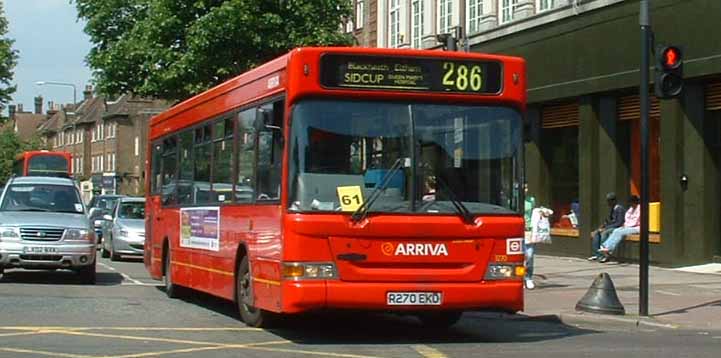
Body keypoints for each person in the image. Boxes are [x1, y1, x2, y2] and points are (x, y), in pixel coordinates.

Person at [598, 195, 641, 262]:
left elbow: (635, 221)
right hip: (628, 226)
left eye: (632, 203)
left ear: (635, 202)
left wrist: (627, 226)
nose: (631, 205)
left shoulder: (640, 209)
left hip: (637, 228)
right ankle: (605, 246)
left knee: (619, 232)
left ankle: (609, 248)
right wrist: (625, 225)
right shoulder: (631, 209)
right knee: (616, 230)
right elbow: (627, 218)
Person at [587, 192, 625, 261]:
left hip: (618, 228)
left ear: (614, 201)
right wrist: (600, 228)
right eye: (608, 201)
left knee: (604, 233)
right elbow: (608, 221)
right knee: (596, 233)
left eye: (610, 201)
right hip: (610, 226)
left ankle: (605, 255)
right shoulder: (612, 209)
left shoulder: (619, 209)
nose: (608, 203)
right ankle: (597, 254)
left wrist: (606, 228)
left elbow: (619, 222)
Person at [525, 206, 553, 290]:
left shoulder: (530, 200)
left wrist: (542, 211)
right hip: (515, 229)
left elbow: (545, 211)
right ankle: (518, 278)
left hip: (529, 231)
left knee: (529, 256)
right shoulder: (511, 198)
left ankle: (528, 278)